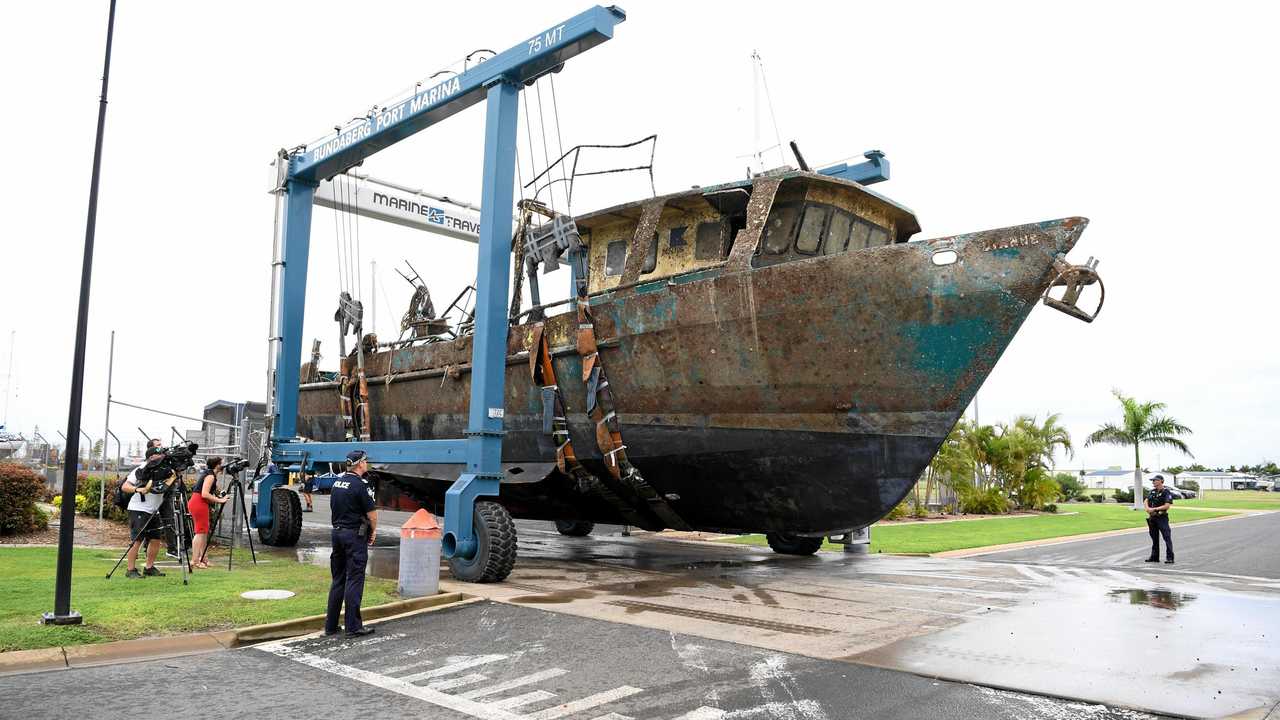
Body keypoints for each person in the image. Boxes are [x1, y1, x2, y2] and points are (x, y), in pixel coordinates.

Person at [324, 449, 378, 638]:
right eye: (366, 461)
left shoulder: (337, 484)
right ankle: (353, 627)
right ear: (360, 464)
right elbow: (372, 514)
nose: (367, 464)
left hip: (337, 534)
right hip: (353, 537)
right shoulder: (359, 485)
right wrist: (373, 532)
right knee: (354, 579)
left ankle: (330, 626)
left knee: (338, 580)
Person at [121, 447, 171, 579]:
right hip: (139, 508)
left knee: (155, 539)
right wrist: (139, 489)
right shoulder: (141, 469)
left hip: (154, 510)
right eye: (158, 454)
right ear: (150, 457)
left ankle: (149, 568)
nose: (161, 456)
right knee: (137, 540)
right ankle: (130, 569)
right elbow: (125, 486)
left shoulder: (164, 469)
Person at [188, 457, 229, 569]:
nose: (223, 465)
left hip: (200, 502)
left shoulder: (211, 475)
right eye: (221, 463)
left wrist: (218, 497)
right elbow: (204, 494)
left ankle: (203, 558)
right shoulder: (210, 476)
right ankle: (195, 560)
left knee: (203, 532)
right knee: (200, 532)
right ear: (217, 465)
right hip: (198, 502)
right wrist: (220, 500)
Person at [1144, 474, 1175, 564]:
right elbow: (1146, 501)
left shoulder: (1166, 492)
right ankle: (1154, 557)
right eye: (1152, 481)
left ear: (1161, 481)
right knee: (1154, 538)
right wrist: (1147, 509)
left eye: (1155, 480)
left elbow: (1167, 505)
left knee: (1167, 537)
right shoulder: (1152, 492)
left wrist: (1154, 509)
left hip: (1162, 517)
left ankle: (1170, 557)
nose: (1153, 482)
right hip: (1152, 518)